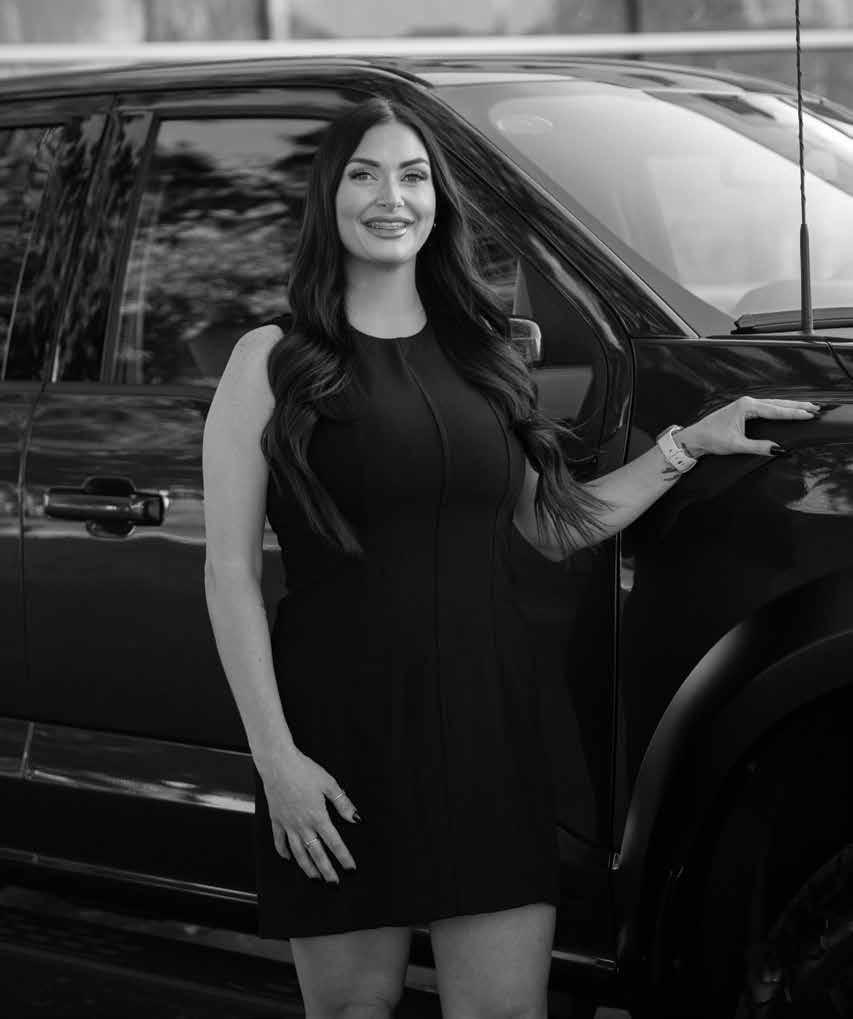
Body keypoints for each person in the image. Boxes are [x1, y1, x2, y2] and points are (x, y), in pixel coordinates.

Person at [201, 95, 819, 1019]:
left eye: (412, 176)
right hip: (336, 733)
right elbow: (228, 574)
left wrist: (688, 443)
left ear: (438, 202)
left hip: (488, 733)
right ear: (327, 196)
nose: (391, 198)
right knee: (353, 1008)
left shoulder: (485, 354)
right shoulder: (271, 359)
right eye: (364, 175)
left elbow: (554, 525)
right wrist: (278, 762)